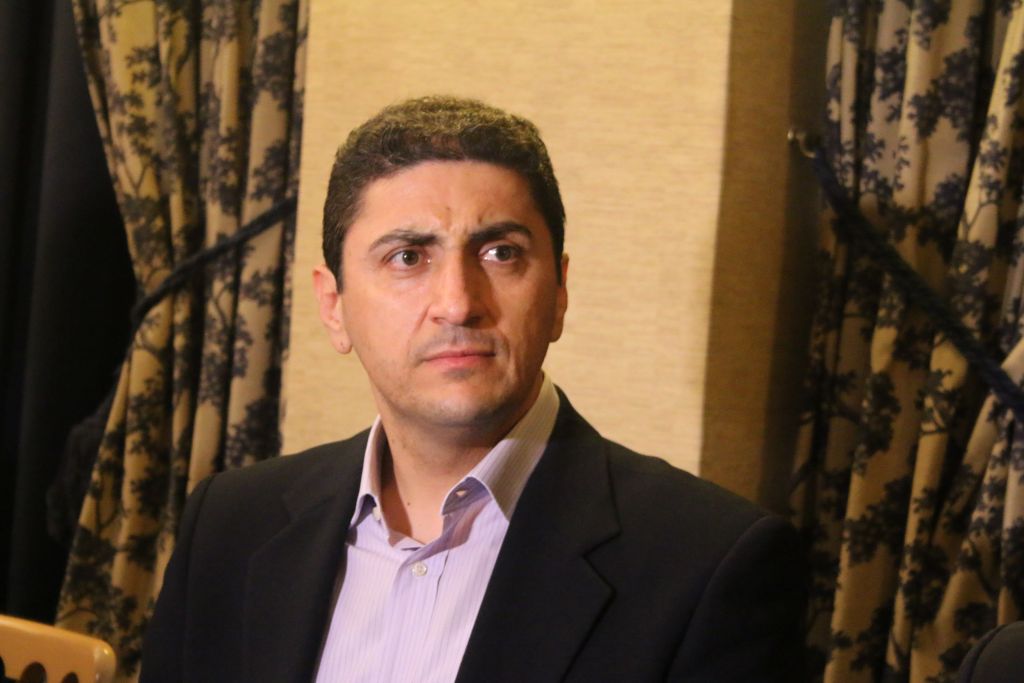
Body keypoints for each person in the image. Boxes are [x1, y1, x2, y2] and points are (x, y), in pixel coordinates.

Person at [140, 96, 807, 682]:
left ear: (560, 292)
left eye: (500, 253)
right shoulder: (228, 525)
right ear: (333, 306)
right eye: (408, 257)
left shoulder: (709, 563)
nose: (458, 302)